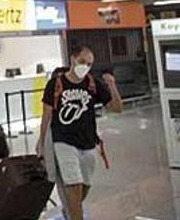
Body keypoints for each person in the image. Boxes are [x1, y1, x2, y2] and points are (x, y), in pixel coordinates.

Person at [36, 46, 123, 220]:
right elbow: (47, 115)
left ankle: (70, 210)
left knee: (84, 186)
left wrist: (112, 85)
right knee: (74, 185)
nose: (85, 66)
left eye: (89, 63)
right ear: (73, 59)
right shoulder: (55, 84)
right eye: (82, 61)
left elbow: (117, 108)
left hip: (88, 142)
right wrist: (42, 142)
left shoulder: (92, 83)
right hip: (63, 141)